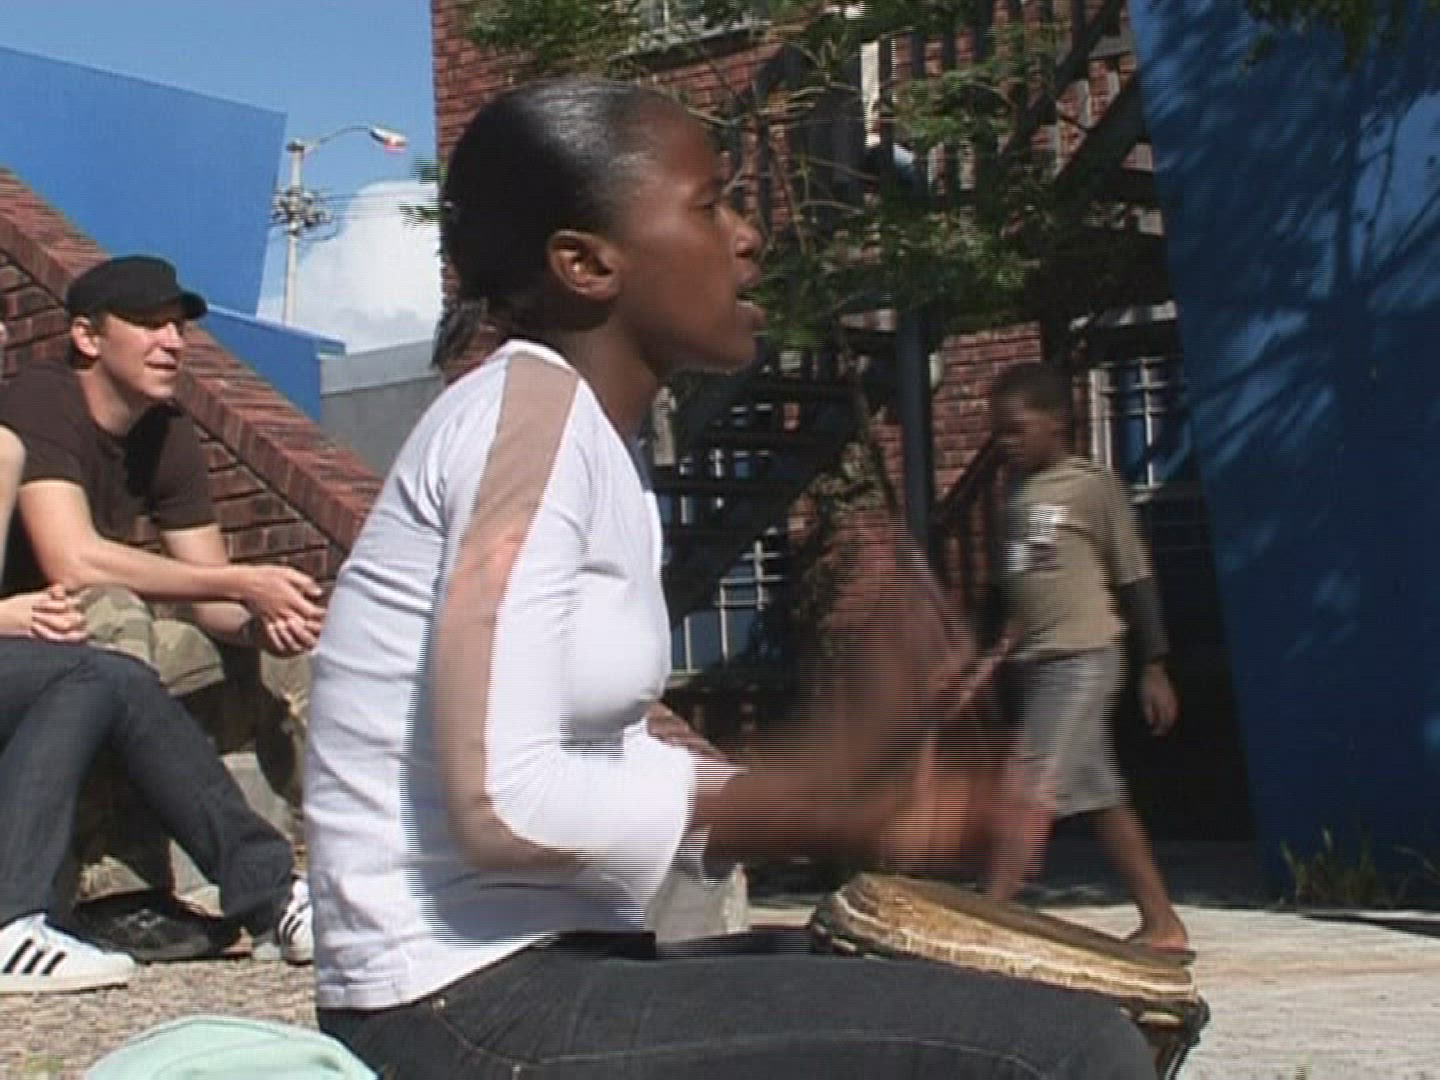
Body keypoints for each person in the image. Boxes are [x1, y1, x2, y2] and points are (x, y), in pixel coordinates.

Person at [306, 77, 1154, 1080]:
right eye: (710, 206)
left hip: (530, 974)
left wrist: (851, 780)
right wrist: (825, 804)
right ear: (586, 263)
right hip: (455, 1002)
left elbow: (604, 758)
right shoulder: (526, 421)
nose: (748, 237)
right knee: (1077, 1050)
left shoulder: (586, 437)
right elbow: (504, 800)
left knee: (955, 994)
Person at [0, 256, 322, 960]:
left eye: (177, 327)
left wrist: (269, 618)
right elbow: (73, 561)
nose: (171, 342)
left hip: (83, 658)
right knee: (111, 617)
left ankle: (333, 877)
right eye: (148, 325)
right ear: (88, 336)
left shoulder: (166, 428)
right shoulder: (38, 401)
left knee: (288, 657)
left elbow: (213, 598)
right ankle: (117, 894)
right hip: (40, 643)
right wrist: (242, 581)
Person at [983, 361, 1190, 958]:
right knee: (1099, 795)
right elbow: (1023, 587)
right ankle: (1162, 921)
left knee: (1027, 783)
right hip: (1039, 661)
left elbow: (1134, 577)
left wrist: (1154, 664)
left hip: (1083, 658)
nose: (1006, 442)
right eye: (999, 431)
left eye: (1017, 428)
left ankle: (990, 911)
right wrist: (989, 656)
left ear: (1057, 421)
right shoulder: (1020, 495)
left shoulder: (1091, 486)